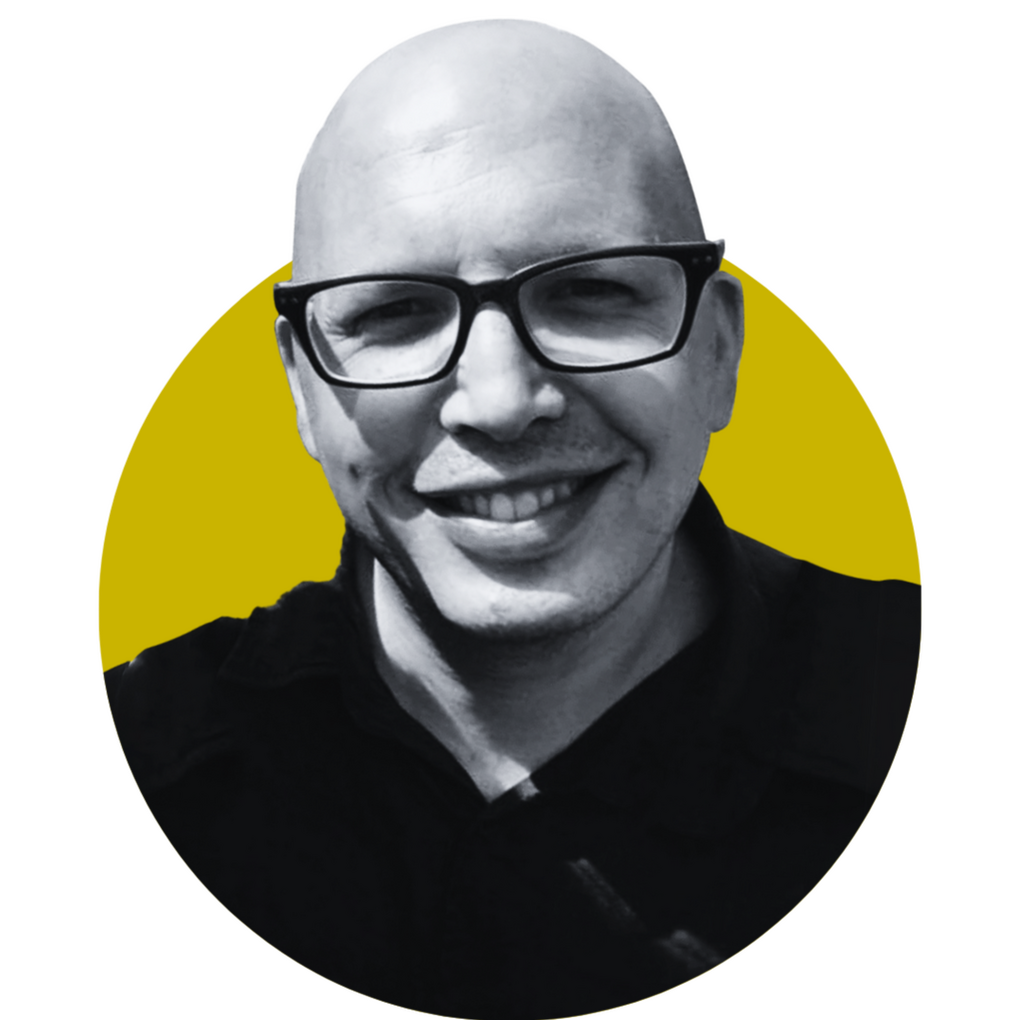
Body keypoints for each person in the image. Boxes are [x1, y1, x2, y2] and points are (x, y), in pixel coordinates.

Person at [102, 18, 923, 1018]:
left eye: (590, 292)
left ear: (717, 351)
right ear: (302, 388)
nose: (498, 401)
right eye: (395, 313)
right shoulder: (151, 760)